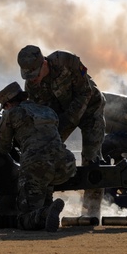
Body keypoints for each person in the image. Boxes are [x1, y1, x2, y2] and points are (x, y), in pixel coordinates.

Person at [17, 44, 106, 218]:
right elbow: (42, 114)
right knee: (47, 152)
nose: (33, 80)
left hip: (90, 109)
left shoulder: (66, 61)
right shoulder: (32, 86)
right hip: (61, 117)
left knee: (92, 157)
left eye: (35, 74)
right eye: (29, 76)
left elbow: (85, 92)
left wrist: (69, 119)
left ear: (44, 63)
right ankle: (45, 206)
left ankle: (91, 213)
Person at [0, 82, 77, 232]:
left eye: (4, 107)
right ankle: (48, 209)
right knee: (44, 185)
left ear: (8, 104)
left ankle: (45, 213)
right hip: (65, 162)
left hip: (37, 164)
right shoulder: (47, 110)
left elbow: (3, 146)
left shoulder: (11, 113)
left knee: (23, 218)